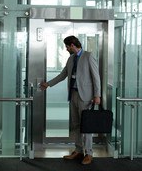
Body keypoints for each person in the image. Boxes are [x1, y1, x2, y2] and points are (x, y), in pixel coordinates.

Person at [40, 35, 101, 165]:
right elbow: (62, 75)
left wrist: (97, 95)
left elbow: (96, 77)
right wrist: (48, 84)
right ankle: (78, 150)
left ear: (73, 45)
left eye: (67, 46)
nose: (66, 49)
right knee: (76, 124)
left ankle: (89, 153)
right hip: (73, 95)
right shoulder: (71, 59)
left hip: (86, 97)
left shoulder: (88, 56)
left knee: (87, 126)